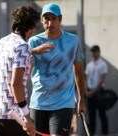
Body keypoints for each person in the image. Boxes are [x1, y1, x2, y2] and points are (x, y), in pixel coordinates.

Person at [28, 3, 86, 136]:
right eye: (46, 18)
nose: (50, 22)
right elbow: (24, 71)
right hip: (38, 103)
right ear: (42, 21)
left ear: (60, 19)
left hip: (63, 103)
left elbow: (78, 71)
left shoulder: (73, 41)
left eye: (53, 18)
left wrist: (81, 100)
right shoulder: (33, 42)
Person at [0, 5, 46, 136]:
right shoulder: (23, 47)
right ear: (30, 27)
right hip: (14, 118)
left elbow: (11, 60)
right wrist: (27, 118)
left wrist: (33, 51)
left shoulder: (3, 42)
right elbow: (16, 83)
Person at [85, 45, 109, 135]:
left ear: (99, 52)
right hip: (90, 91)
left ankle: (105, 133)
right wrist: (86, 91)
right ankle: (91, 133)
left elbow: (102, 79)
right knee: (91, 116)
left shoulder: (103, 64)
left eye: (95, 51)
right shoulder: (89, 65)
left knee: (102, 114)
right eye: (92, 52)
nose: (93, 54)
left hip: (99, 92)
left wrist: (93, 91)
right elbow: (86, 78)